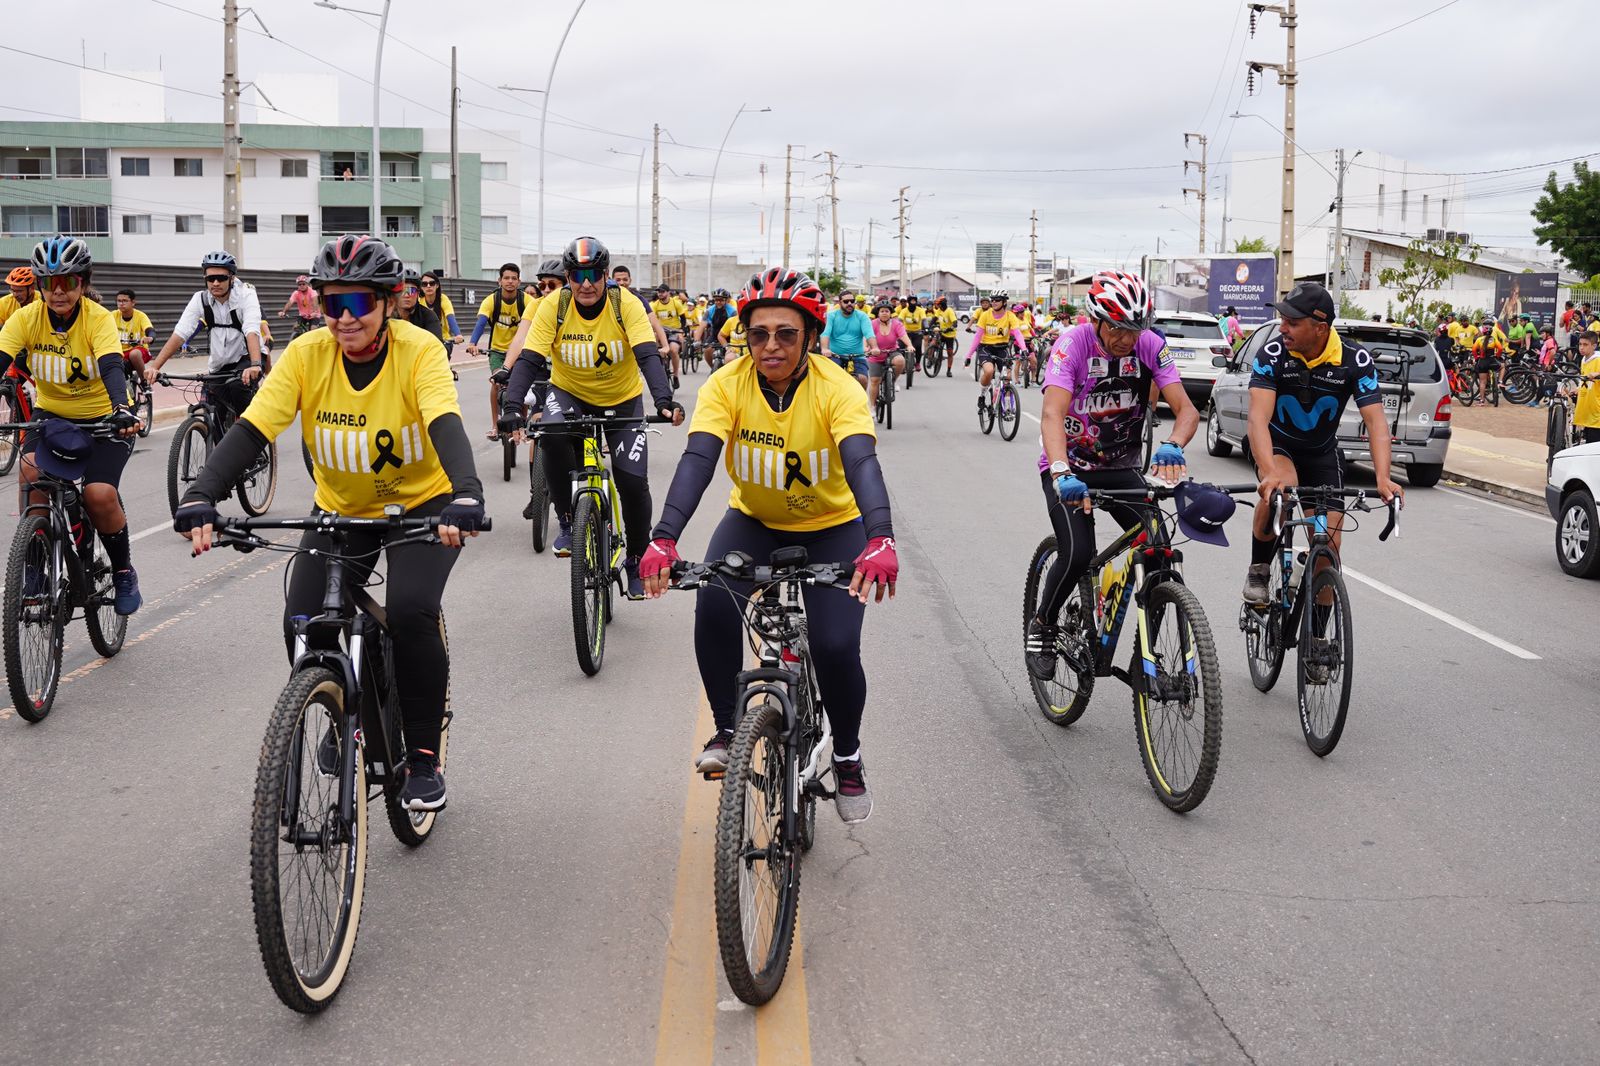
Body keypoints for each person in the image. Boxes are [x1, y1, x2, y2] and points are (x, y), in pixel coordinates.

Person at [173, 234, 486, 813]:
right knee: (304, 619)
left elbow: (445, 424)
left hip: (422, 507)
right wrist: (201, 493)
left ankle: (421, 755)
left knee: (414, 609)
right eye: (330, 303)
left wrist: (465, 497)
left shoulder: (420, 351)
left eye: (357, 303)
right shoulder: (306, 355)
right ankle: (345, 715)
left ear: (389, 302)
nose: (343, 319)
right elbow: (252, 430)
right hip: (342, 510)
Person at [639, 267, 897, 823]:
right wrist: (664, 539)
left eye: (786, 333)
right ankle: (730, 729)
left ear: (809, 335)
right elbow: (699, 461)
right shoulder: (726, 384)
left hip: (834, 526)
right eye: (759, 334)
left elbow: (861, 463)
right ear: (744, 336)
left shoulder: (838, 388)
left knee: (832, 646)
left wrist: (880, 538)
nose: (771, 345)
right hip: (754, 523)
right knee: (712, 601)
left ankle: (847, 755)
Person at [1024, 271, 1198, 680]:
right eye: (1119, 328)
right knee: (1079, 552)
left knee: (1158, 548)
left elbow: (1187, 410)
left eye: (1135, 328)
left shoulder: (1152, 345)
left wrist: (1174, 443)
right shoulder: (1072, 345)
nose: (1127, 338)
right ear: (1097, 320)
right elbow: (1052, 413)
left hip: (1121, 468)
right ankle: (1044, 625)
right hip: (1071, 470)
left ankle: (1146, 652)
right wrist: (1062, 471)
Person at [498, 237, 682, 588]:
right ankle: (568, 522)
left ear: (606, 275)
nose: (586, 283)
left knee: (631, 480)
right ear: (567, 276)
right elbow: (529, 359)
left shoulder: (624, 303)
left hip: (622, 398)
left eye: (594, 274)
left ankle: (635, 555)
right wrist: (511, 406)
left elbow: (646, 354)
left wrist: (663, 399)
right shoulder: (554, 305)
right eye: (577, 275)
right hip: (570, 393)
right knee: (550, 435)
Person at [0, 237, 144, 613]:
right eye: (49, 283)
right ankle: (34, 568)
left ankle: (124, 571)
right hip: (53, 417)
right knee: (31, 475)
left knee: (98, 495)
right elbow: (1, 358)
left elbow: (113, 365)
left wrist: (121, 409)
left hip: (105, 420)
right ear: (39, 286)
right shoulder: (25, 318)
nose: (59, 292)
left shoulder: (98, 319)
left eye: (69, 282)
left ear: (83, 282)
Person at [1242, 281, 1401, 605]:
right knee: (1281, 492)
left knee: (1329, 549)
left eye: (1293, 323)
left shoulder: (1354, 359)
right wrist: (1268, 471)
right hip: (1279, 448)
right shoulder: (1272, 354)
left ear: (1320, 328)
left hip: (1322, 453)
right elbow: (1257, 419)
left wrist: (1383, 478)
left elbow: (1376, 422)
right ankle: (1259, 568)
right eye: (1282, 319)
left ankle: (1320, 644)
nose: (1282, 328)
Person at [145, 251, 265, 427]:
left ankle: (252, 441)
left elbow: (251, 330)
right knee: (215, 414)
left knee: (239, 392)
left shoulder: (246, 295)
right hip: (218, 364)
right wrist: (155, 367)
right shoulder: (200, 299)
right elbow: (180, 333)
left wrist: (255, 364)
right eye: (210, 279)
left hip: (246, 358)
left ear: (232, 278)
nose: (215, 283)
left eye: (221, 278)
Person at [501, 258, 567, 518]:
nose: (547, 290)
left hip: (568, 375)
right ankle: (536, 493)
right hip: (540, 370)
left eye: (553, 285)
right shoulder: (536, 306)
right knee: (539, 427)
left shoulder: (575, 305)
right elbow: (521, 338)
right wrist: (507, 367)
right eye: (542, 286)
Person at [465, 262, 525, 439]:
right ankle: (495, 425)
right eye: (506, 278)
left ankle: (523, 424)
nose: (510, 281)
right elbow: (481, 322)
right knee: (496, 382)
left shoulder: (526, 301)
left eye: (514, 278)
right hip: (498, 352)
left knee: (522, 385)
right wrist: (473, 343)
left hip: (520, 352)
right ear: (499, 281)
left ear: (519, 282)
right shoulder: (491, 300)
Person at [968, 292, 1025, 392]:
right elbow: (977, 336)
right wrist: (969, 355)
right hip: (986, 348)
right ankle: (983, 392)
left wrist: (1024, 349)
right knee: (989, 371)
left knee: (1007, 378)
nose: (994, 302)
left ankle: (1007, 405)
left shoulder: (1010, 315)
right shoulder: (985, 315)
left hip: (1002, 348)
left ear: (1004, 302)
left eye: (997, 300)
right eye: (992, 300)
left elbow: (1018, 333)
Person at [819, 291, 878, 387]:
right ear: (840, 303)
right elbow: (825, 333)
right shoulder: (831, 316)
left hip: (858, 356)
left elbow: (869, 334)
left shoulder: (862, 316)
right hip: (836, 355)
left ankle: (861, 402)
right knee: (831, 379)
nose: (849, 303)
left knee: (862, 379)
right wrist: (825, 349)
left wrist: (874, 347)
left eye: (852, 301)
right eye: (846, 301)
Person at [868, 301, 909, 409]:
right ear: (878, 313)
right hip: (875, 354)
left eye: (887, 311)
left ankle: (892, 381)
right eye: (882, 311)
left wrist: (909, 345)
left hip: (891, 352)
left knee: (900, 361)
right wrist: (866, 348)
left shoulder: (896, 324)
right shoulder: (872, 324)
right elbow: (866, 337)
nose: (884, 313)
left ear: (890, 313)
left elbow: (903, 335)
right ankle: (872, 406)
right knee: (875, 381)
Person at [395, 268, 446, 354]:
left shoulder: (429, 316)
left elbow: (437, 348)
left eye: (412, 291)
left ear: (418, 293)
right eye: (403, 290)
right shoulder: (387, 316)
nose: (407, 295)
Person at [651, 282, 690, 389]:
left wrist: (681, 331)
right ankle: (659, 363)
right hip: (661, 330)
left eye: (662, 291)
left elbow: (683, 318)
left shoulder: (675, 303)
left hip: (674, 330)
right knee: (655, 341)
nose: (660, 294)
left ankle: (676, 375)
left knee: (673, 350)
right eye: (658, 292)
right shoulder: (654, 305)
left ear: (668, 293)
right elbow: (651, 320)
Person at [113, 288, 153, 383]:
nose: (121, 303)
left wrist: (150, 338)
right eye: (119, 301)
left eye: (125, 301)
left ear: (133, 303)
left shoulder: (140, 316)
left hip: (139, 351)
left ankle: (144, 382)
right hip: (120, 352)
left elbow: (150, 330)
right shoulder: (112, 315)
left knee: (134, 354)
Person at [418, 271, 462, 352]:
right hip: (425, 342)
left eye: (432, 283)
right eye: (424, 284)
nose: (428, 286)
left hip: (444, 341)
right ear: (421, 287)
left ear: (437, 285)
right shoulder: (419, 301)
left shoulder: (443, 299)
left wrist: (457, 334)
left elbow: (450, 317)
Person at [1571, 332, 1600, 444]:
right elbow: (1585, 381)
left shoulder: (1598, 359)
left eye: (1585, 344)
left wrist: (1597, 373)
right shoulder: (1584, 360)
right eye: (1580, 344)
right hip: (1587, 406)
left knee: (1594, 445)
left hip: (1596, 410)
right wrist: (1578, 389)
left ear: (1594, 345)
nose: (1581, 348)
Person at [1471, 319, 1508, 405]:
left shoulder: (1479, 340)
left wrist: (1476, 358)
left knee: (1482, 382)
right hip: (1492, 361)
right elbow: (1500, 349)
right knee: (1502, 366)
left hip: (1482, 362)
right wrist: (1497, 356)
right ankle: (1500, 382)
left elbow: (1473, 350)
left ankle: (1482, 401)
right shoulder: (1494, 339)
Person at [898, 295, 923, 388]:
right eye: (911, 301)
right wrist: (897, 328)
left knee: (918, 346)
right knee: (900, 347)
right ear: (908, 302)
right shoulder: (904, 311)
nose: (913, 303)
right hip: (906, 333)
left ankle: (917, 363)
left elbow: (924, 319)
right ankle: (903, 365)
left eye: (914, 301)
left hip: (917, 332)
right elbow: (900, 320)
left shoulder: (920, 310)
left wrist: (926, 327)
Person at [932, 296, 959, 377]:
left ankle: (949, 370)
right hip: (941, 332)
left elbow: (955, 323)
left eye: (939, 305)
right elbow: (934, 319)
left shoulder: (949, 311)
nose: (938, 306)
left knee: (949, 353)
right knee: (933, 343)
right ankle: (932, 358)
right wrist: (928, 326)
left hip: (950, 334)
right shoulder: (939, 311)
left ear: (942, 304)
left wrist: (950, 328)